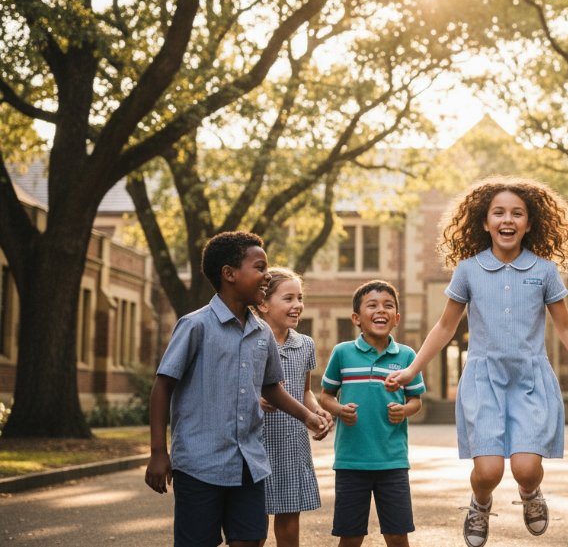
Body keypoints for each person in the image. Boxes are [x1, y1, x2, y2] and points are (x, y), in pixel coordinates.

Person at [384, 176, 568, 547]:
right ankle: (480, 502)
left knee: (527, 469)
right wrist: (412, 369)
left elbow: (566, 325)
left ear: (529, 223)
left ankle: (530, 493)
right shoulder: (468, 270)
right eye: (499, 213)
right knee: (489, 470)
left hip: (530, 379)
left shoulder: (544, 271)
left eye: (517, 213)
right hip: (484, 380)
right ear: (484, 222)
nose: (507, 220)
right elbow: (445, 325)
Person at [145, 231, 330, 547]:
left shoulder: (261, 333)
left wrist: (308, 417)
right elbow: (163, 386)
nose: (267, 275)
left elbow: (272, 388)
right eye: (259, 267)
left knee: (250, 540)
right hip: (200, 465)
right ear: (229, 274)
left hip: (249, 464)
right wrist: (159, 452)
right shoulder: (196, 326)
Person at [320, 280, 425, 547]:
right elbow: (326, 396)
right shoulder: (342, 353)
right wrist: (340, 410)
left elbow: (416, 400)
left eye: (388, 305)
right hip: (351, 461)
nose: (381, 310)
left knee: (397, 534)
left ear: (397, 318)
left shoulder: (406, 356)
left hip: (392, 462)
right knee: (351, 535)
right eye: (372, 305)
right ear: (357, 318)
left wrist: (404, 411)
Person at [254, 267, 334, 547]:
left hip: (291, 443)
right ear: (263, 303)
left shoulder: (305, 344)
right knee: (255, 521)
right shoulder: (250, 342)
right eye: (288, 299)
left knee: (289, 516)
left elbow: (305, 391)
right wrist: (257, 399)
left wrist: (317, 412)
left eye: (299, 298)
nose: (297, 305)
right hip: (258, 443)